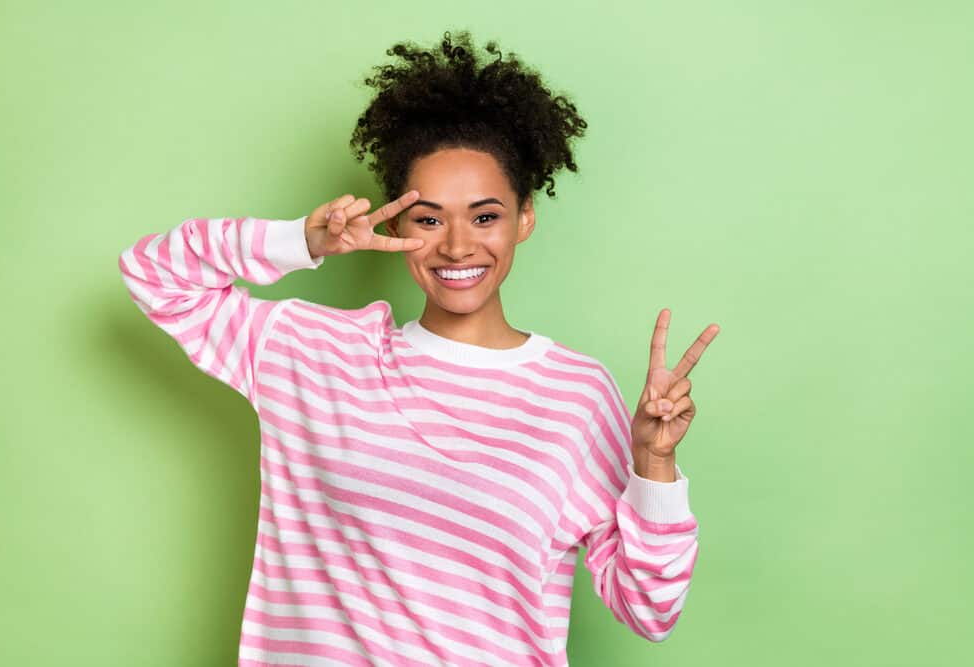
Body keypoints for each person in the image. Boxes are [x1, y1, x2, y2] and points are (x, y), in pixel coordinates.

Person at [118, 29, 714, 667]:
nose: (457, 246)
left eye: (485, 216)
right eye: (429, 218)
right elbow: (154, 275)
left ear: (525, 218)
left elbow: (649, 611)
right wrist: (303, 241)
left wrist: (654, 464)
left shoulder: (577, 395)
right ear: (396, 223)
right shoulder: (312, 354)